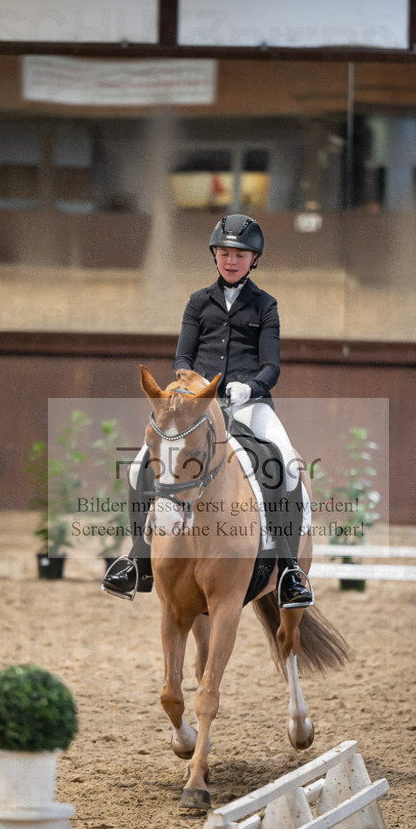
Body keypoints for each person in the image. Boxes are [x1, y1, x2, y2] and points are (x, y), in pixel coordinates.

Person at [101, 213, 313, 608]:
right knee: (138, 466)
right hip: (199, 405)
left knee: (285, 465)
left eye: (240, 255)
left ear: (254, 259)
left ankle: (288, 568)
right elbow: (182, 356)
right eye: (224, 253)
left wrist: (250, 386)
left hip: (249, 404)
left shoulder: (266, 305)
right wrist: (194, 385)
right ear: (214, 254)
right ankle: (138, 557)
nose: (231, 260)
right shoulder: (198, 302)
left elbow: (272, 366)